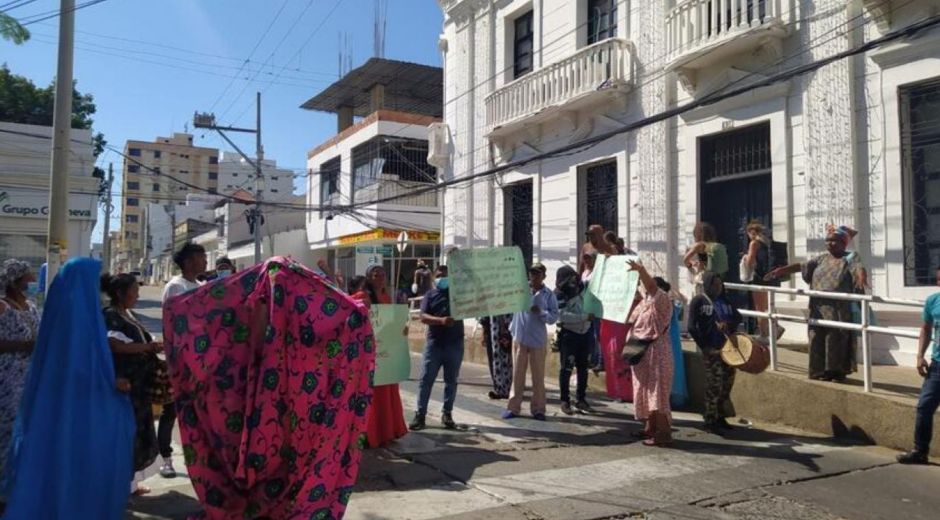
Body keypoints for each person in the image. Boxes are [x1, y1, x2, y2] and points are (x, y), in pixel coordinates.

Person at [162, 257, 374, 519]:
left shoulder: (260, 300)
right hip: (280, 402)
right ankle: (277, 504)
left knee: (264, 456)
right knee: (279, 457)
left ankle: (263, 503)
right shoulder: (281, 305)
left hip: (267, 401)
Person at [1, 258, 134, 520]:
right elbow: (79, 362)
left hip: (56, 397)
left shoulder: (60, 308)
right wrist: (109, 383)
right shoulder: (78, 315)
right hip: (72, 397)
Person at [766, 226, 867, 382]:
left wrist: (861, 278)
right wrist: (781, 270)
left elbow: (859, 268)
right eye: (828, 240)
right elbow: (802, 266)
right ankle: (819, 371)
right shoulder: (821, 258)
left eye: (834, 241)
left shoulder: (850, 257)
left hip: (837, 308)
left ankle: (837, 372)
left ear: (843, 243)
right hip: (817, 306)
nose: (830, 243)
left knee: (835, 338)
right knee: (816, 337)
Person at [102, 273, 163, 495]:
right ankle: (118, 487)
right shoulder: (111, 316)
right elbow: (114, 345)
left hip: (138, 387)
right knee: (124, 436)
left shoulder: (126, 313)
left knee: (137, 435)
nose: (137, 296)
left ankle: (130, 484)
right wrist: (147, 348)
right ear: (120, 294)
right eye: (134, 292)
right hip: (125, 386)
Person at [159, 242, 207, 479]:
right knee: (171, 412)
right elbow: (176, 324)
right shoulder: (176, 287)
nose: (206, 261)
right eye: (202, 257)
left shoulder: (200, 285)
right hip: (180, 361)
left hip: (199, 362)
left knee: (196, 413)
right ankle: (166, 459)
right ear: (188, 261)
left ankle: (197, 460)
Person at [0, 259, 39, 489]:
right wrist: (23, 346)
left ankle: (17, 482)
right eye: (28, 277)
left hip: (30, 377)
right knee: (7, 430)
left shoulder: (32, 307)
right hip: (8, 378)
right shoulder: (3, 307)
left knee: (25, 431)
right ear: (15, 282)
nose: (33, 280)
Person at [626, 260, 674, 446]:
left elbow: (652, 286)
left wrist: (641, 270)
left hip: (657, 355)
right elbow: (630, 319)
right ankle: (650, 427)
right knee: (645, 391)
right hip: (641, 351)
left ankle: (664, 432)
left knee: (657, 394)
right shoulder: (645, 303)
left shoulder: (662, 300)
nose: (646, 288)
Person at [411, 265, 464, 430]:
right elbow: (423, 316)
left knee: (451, 381)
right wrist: (440, 321)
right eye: (440, 275)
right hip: (434, 344)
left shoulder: (459, 296)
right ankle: (420, 415)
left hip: (454, 344)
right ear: (434, 277)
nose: (443, 278)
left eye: (446, 275)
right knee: (426, 380)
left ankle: (447, 414)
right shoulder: (430, 295)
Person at [687, 272, 742, 435]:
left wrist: (729, 324)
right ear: (707, 285)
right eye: (714, 285)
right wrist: (704, 346)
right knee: (715, 385)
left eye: (720, 285)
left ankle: (720, 416)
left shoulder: (725, 301)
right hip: (712, 349)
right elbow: (691, 326)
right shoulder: (699, 301)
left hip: (727, 349)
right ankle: (710, 418)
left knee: (727, 384)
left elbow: (738, 317)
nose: (717, 288)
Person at [503, 263, 558, 421]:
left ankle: (539, 408)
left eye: (537, 274)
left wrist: (540, 312)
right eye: (532, 273)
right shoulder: (521, 289)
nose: (534, 277)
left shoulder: (548, 294)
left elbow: (554, 316)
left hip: (537, 340)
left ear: (543, 276)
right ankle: (513, 407)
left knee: (538, 377)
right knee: (517, 375)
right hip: (520, 337)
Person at [361, 264, 408, 446]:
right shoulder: (362, 297)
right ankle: (370, 434)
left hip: (386, 356)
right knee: (372, 395)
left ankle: (387, 431)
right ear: (369, 277)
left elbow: (391, 326)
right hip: (370, 356)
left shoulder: (388, 298)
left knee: (387, 393)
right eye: (376, 274)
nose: (380, 277)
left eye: (382, 274)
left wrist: (401, 328)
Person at [897, 267, 940, 465]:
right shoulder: (933, 301)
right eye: (939, 280)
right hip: (937, 365)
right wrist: (920, 356)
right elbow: (926, 328)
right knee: (924, 407)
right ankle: (920, 450)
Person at [554, 265, 595, 415]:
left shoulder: (583, 288)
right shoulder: (559, 294)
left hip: (585, 333)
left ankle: (581, 399)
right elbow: (562, 316)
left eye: (573, 277)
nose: (572, 281)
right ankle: (565, 400)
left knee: (583, 368)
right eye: (568, 278)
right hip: (569, 335)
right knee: (566, 368)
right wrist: (584, 317)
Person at [742, 221, 782, 339]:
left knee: (759, 307)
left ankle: (763, 334)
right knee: (766, 306)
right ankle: (776, 327)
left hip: (759, 277)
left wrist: (745, 259)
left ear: (751, 232)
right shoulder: (767, 242)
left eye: (749, 233)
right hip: (769, 276)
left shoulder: (754, 243)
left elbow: (750, 261)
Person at [684, 222, 728, 294]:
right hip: (718, 279)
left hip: (705, 280)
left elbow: (685, 259)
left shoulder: (699, 246)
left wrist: (690, 266)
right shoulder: (715, 246)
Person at [480, 314, 513, 399]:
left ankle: (508, 389)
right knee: (495, 359)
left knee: (508, 359)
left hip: (509, 328)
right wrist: (484, 331)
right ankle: (498, 389)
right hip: (494, 329)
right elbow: (485, 312)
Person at [581, 251, 603, 372]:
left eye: (589, 259)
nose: (587, 261)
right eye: (585, 259)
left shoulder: (597, 273)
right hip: (586, 307)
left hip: (596, 307)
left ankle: (600, 360)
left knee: (598, 334)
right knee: (589, 334)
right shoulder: (585, 273)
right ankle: (591, 358)